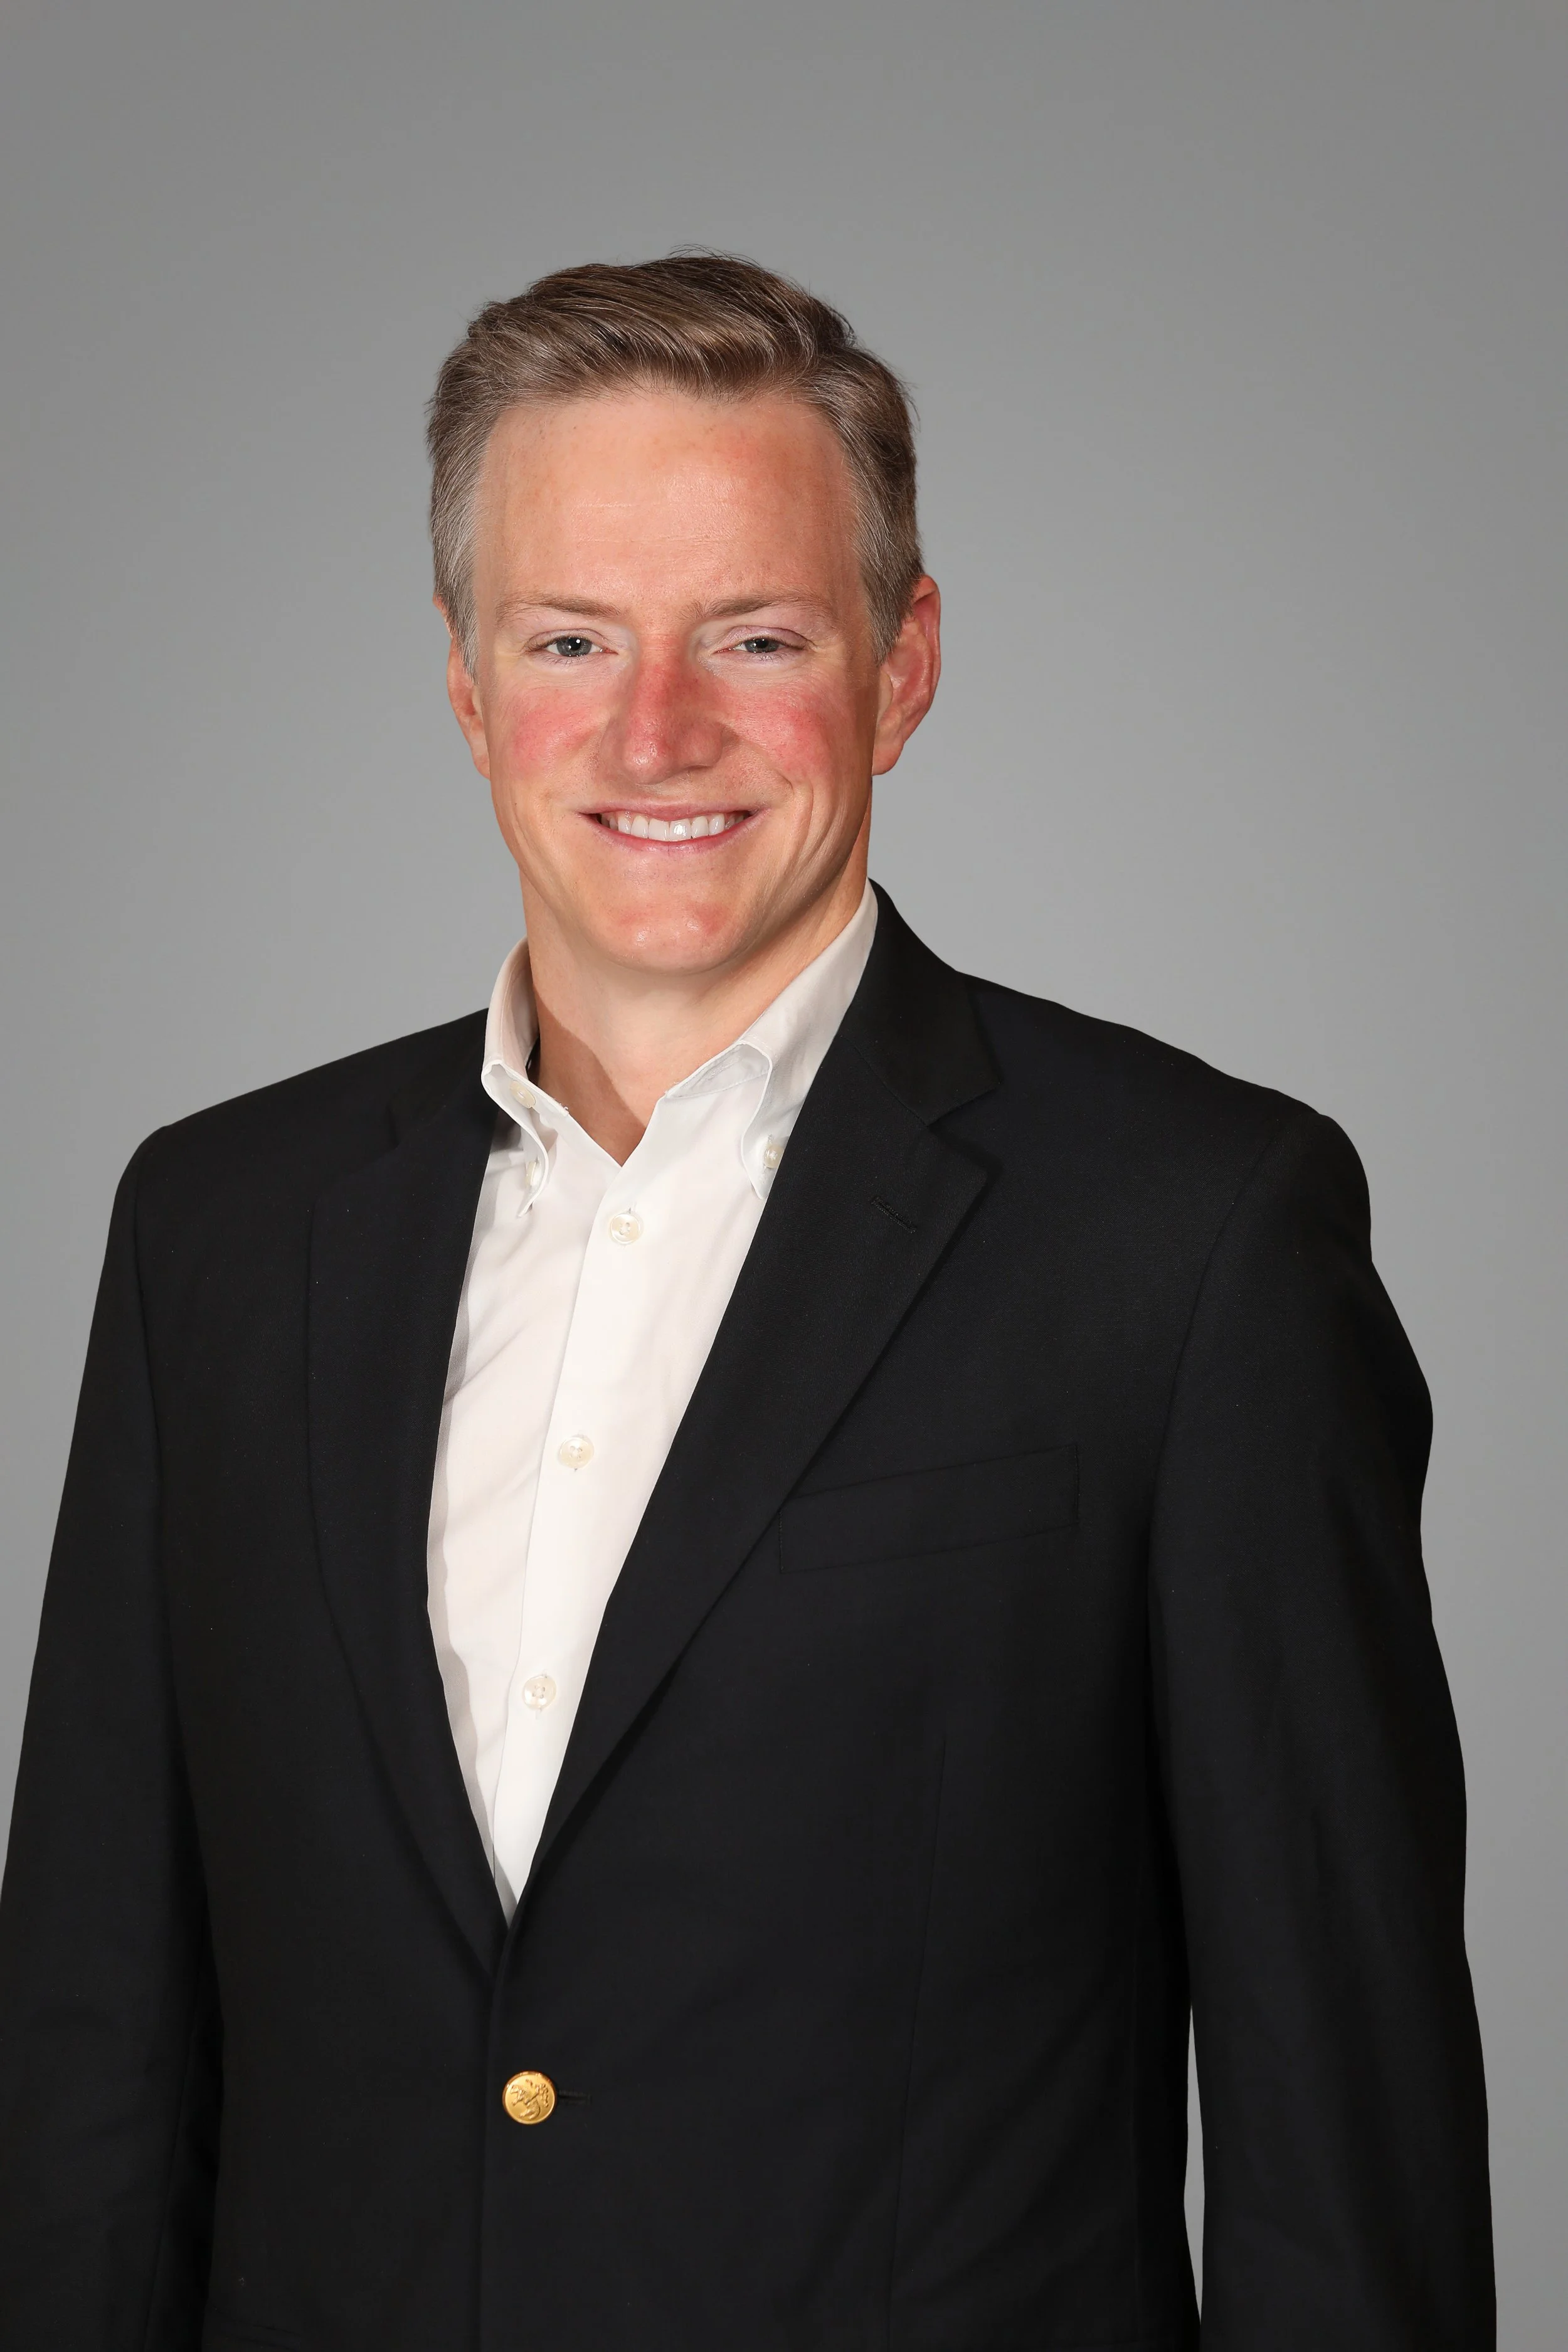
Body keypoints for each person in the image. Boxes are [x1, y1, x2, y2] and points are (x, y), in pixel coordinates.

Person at [0, 253, 1493, 2350]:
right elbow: (92, 2058)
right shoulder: (216, 1231)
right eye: (570, 639)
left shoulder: (1191, 1231)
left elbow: (1340, 2129)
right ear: (462, 679)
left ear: (900, 667)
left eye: (758, 636)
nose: (653, 730)